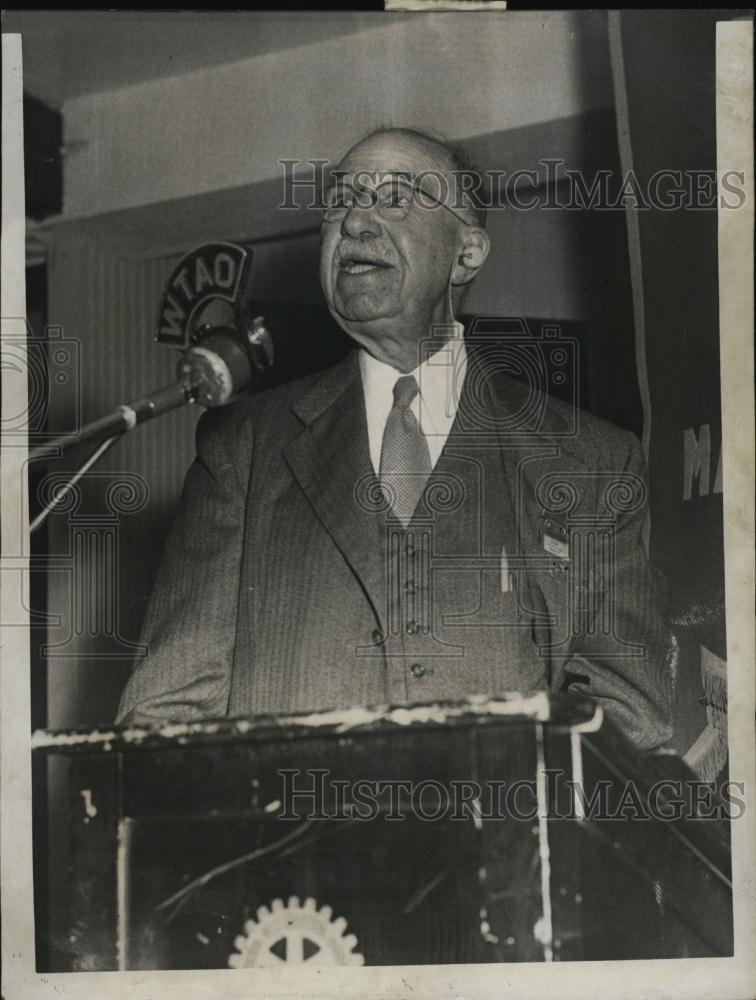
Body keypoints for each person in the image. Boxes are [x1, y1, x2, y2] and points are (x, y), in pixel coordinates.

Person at [116, 127, 673, 751]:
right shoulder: (240, 450)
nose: (354, 221)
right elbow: (163, 719)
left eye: (395, 198)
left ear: (467, 252)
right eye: (341, 201)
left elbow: (628, 717)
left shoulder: (595, 461)